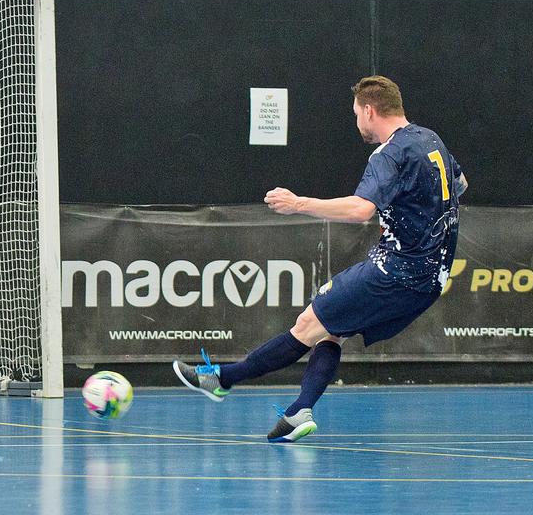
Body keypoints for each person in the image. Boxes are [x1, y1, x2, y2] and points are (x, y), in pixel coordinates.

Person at [173, 75, 465, 442]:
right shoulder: (430, 139)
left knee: (308, 324)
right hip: (431, 279)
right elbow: (461, 183)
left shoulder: (389, 152)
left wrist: (298, 204)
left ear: (369, 110)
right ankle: (299, 411)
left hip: (395, 272)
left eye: (357, 113)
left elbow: (360, 209)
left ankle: (220, 380)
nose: (357, 122)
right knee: (333, 331)